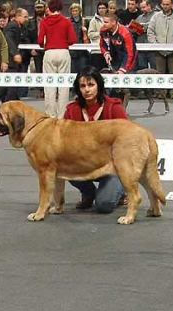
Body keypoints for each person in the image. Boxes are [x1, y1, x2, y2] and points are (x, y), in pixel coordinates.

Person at [63, 66, 128, 213]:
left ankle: (122, 191)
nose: (87, 90)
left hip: (112, 167)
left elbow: (127, 138)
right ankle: (88, 193)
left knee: (104, 205)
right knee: (64, 166)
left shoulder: (113, 107)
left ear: (99, 85)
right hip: (84, 164)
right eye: (83, 86)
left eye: (91, 85)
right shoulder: (71, 110)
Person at [37, 0, 76, 119]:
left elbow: (39, 41)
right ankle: (62, 115)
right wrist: (64, 42)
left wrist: (46, 44)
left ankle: (50, 115)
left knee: (49, 85)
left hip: (49, 53)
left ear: (49, 8)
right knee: (63, 86)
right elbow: (73, 39)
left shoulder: (44, 21)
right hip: (63, 52)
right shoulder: (66, 21)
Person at [4, 8, 28, 101]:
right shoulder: (13, 26)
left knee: (12, 88)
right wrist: (15, 53)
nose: (26, 19)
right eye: (25, 17)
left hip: (12, 61)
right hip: (10, 61)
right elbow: (8, 39)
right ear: (18, 16)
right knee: (11, 89)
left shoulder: (18, 26)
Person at [88, 1, 108, 71]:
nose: (101, 10)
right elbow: (90, 34)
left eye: (103, 8)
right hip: (96, 50)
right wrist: (101, 33)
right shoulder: (94, 20)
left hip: (108, 51)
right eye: (99, 8)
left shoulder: (110, 20)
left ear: (106, 9)